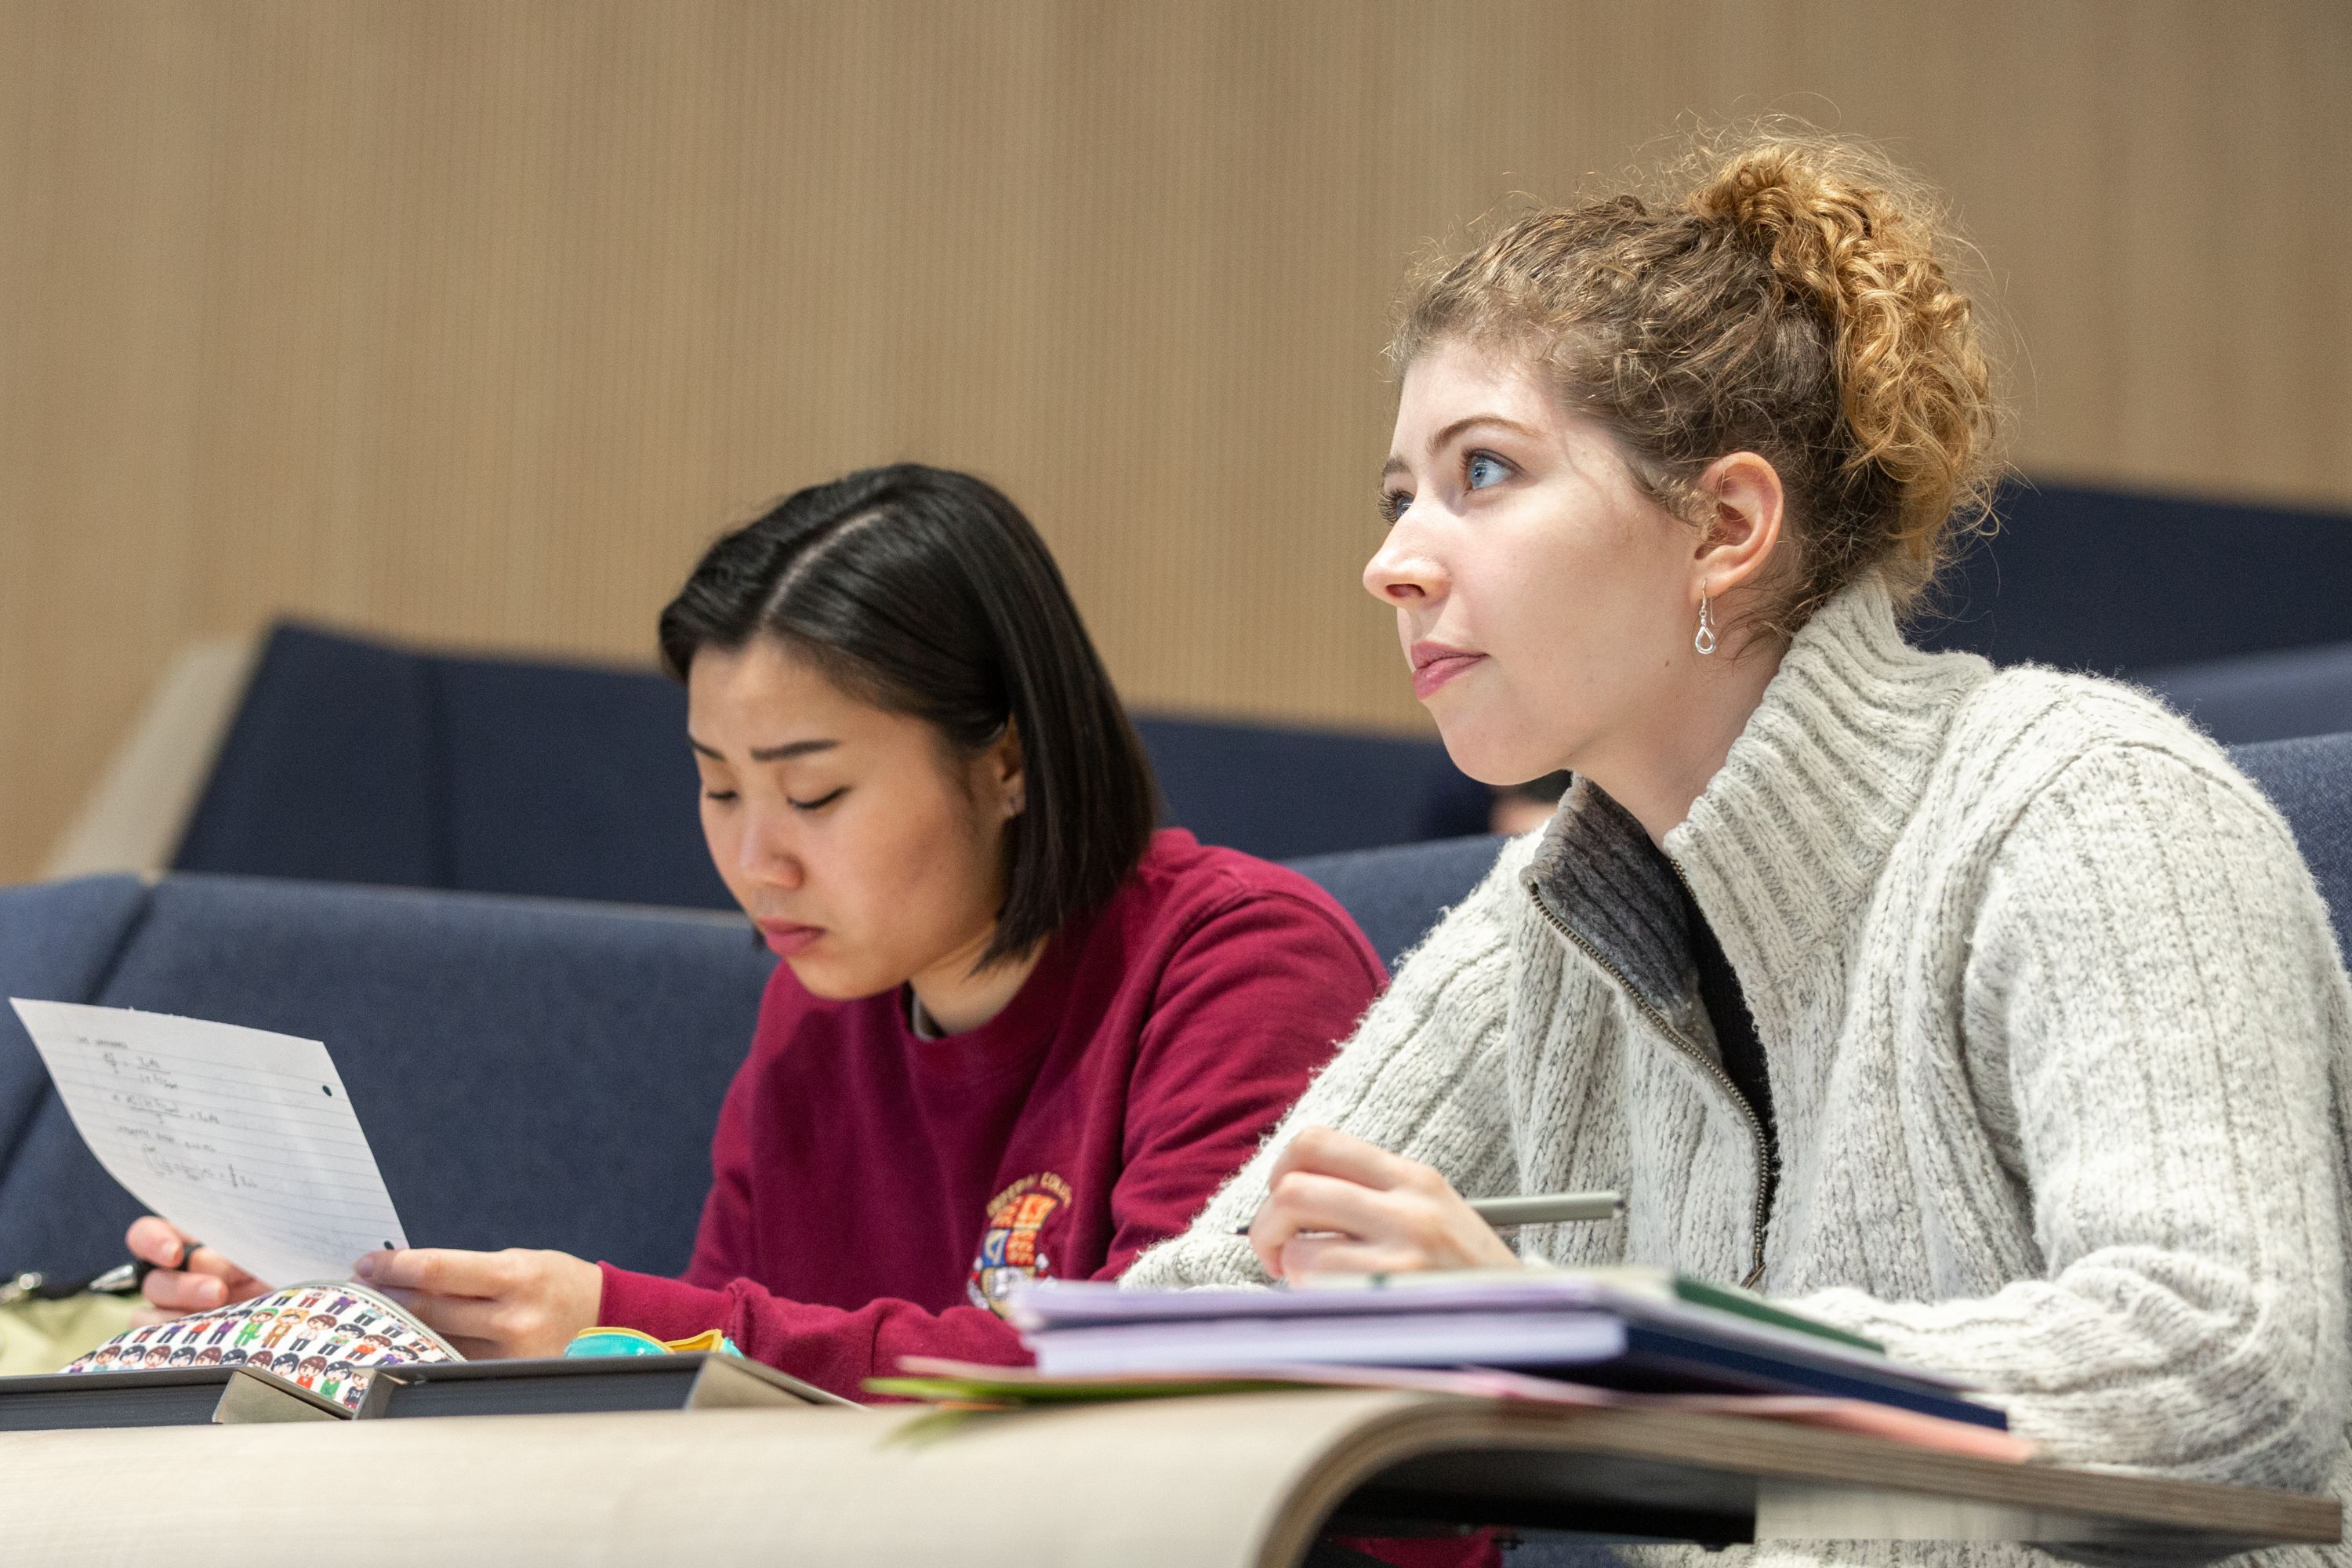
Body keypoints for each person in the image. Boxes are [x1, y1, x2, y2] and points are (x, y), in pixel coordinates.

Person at [1127, 127, 2352, 1552]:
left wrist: (1594, 1358)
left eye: (1484, 475)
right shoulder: (1552, 913)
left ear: (1722, 526)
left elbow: (2228, 1364)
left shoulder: (2096, 807)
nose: (1392, 560)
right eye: (1401, 497)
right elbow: (1205, 1299)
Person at [128, 463, 1385, 1399]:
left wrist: (638, 1323)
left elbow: (1176, 1374)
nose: (754, 858)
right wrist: (358, 1330)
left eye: (815, 792)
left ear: (1006, 761)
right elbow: (735, 1400)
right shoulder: (817, 1005)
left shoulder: (1241, 967)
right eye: (719, 786)